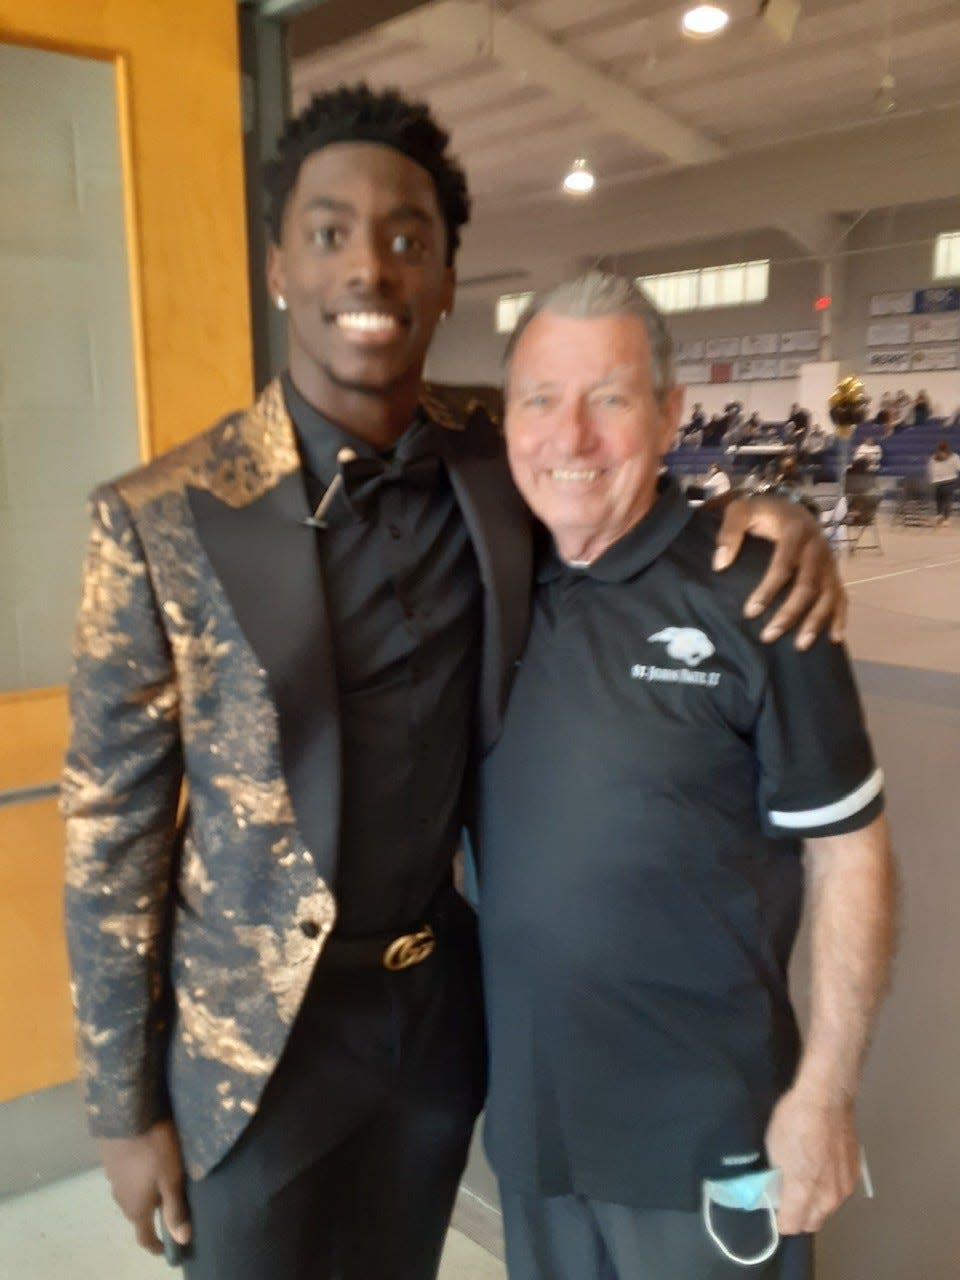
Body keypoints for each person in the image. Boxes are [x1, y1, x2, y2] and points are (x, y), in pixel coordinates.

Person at [61, 88, 843, 1280]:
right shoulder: (160, 517)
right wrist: (120, 1107)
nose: (368, 266)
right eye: (329, 232)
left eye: (407, 238)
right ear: (279, 266)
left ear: (443, 277)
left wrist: (767, 512)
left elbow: (610, 452)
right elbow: (110, 836)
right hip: (253, 1056)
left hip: (438, 1021)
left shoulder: (497, 447)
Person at [476, 273, 896, 1280]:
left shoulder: (758, 594)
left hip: (711, 1145)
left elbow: (852, 858)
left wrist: (826, 1090)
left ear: (669, 414)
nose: (568, 436)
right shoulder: (483, 579)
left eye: (610, 398)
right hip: (536, 1137)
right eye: (539, 398)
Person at [927, 438, 960, 524]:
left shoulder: (933, 458)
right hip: (950, 481)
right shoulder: (954, 457)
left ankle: (939, 514)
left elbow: (930, 470)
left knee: (939, 499)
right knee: (948, 500)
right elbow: (959, 468)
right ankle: (946, 518)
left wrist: (933, 480)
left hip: (937, 482)